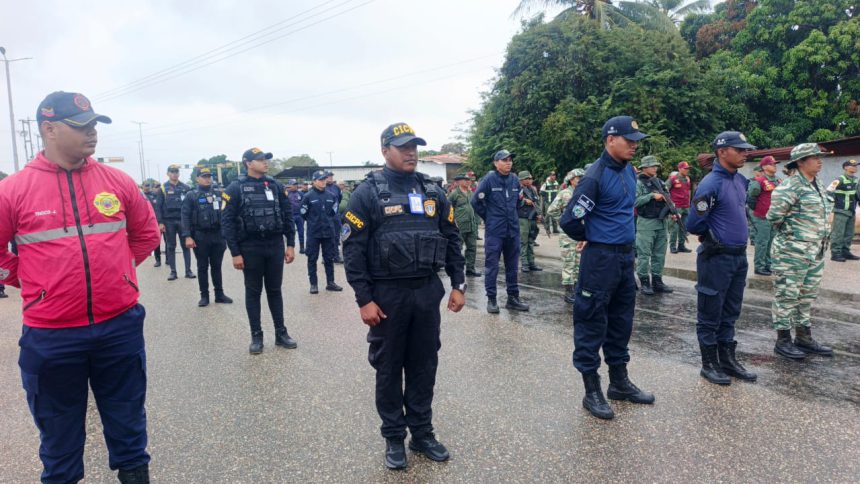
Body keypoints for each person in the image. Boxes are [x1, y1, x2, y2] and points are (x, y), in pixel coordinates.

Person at [0, 91, 160, 483]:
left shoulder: (116, 181)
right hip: (51, 335)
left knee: (129, 428)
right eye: (81, 127)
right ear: (49, 129)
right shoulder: (13, 190)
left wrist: (118, 273)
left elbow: (147, 234)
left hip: (118, 327)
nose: (92, 134)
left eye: (94, 126)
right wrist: (31, 282)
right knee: (59, 438)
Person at [342, 122, 465, 470]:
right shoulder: (367, 193)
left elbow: (452, 238)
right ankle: (394, 437)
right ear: (385, 151)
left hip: (426, 292)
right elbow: (353, 250)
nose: (411, 152)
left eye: (415, 146)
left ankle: (422, 434)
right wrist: (363, 299)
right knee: (389, 366)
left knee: (425, 364)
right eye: (403, 147)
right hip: (387, 296)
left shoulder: (432, 191)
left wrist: (458, 284)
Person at [559, 116, 655, 420]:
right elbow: (569, 220)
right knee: (590, 323)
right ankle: (592, 390)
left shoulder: (629, 171)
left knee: (621, 321)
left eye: (637, 140)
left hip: (625, 259)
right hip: (600, 261)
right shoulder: (594, 177)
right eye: (629, 140)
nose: (634, 145)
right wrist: (592, 238)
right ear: (610, 139)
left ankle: (619, 382)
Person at [686, 131, 758, 385]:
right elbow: (694, 222)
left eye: (745, 149)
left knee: (730, 311)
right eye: (739, 150)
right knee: (710, 312)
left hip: (738, 258)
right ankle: (709, 364)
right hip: (716, 258)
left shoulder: (740, 181)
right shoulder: (710, 184)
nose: (744, 153)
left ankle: (727, 359)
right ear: (722, 151)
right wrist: (712, 236)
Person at [221, 147, 298, 355]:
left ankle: (281, 333)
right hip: (250, 247)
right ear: (248, 163)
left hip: (274, 245)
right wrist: (235, 252)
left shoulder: (275, 185)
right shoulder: (235, 188)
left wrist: (290, 244)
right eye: (261, 160)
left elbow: (288, 214)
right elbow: (227, 222)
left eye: (266, 159)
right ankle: (256, 335)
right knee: (253, 292)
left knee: (275, 291)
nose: (265, 163)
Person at [768, 143, 834, 359]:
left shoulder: (818, 185)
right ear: (801, 162)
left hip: (815, 251)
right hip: (791, 253)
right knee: (787, 296)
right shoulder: (790, 187)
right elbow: (774, 218)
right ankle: (783, 340)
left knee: (806, 296)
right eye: (814, 157)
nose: (819, 160)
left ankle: (804, 338)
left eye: (819, 156)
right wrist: (795, 237)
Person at [471, 150, 529, 313]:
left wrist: (512, 216)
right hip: (495, 231)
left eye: (510, 160)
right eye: (504, 160)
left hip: (512, 230)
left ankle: (513, 298)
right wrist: (489, 217)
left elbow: (519, 202)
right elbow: (475, 201)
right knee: (492, 266)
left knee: (512, 266)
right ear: (496, 163)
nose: (508, 163)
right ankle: (492, 299)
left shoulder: (515, 180)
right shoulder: (489, 179)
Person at [181, 167, 232, 307]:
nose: (207, 178)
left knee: (217, 266)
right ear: (197, 178)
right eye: (204, 176)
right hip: (200, 236)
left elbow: (227, 213)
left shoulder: (218, 193)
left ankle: (219, 294)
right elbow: (185, 217)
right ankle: (204, 295)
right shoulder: (191, 195)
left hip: (217, 235)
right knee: (202, 267)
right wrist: (187, 236)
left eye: (209, 176)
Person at [634, 155, 676, 295]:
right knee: (644, 254)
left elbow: (667, 198)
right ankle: (644, 282)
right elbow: (634, 202)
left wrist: (673, 212)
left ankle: (657, 281)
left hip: (661, 222)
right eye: (652, 166)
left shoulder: (660, 182)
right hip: (646, 222)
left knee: (659, 254)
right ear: (644, 168)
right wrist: (651, 196)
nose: (655, 168)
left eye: (655, 165)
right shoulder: (638, 183)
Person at [302, 170, 343, 294]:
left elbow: (333, 212)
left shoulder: (331, 196)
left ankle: (330, 282)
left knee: (329, 258)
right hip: (314, 233)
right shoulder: (308, 196)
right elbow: (304, 214)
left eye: (324, 179)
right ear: (314, 181)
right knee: (312, 258)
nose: (323, 181)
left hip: (328, 232)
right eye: (320, 179)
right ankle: (313, 284)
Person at [547, 168, 584, 303]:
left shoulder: (583, 193)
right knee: (569, 261)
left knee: (579, 262)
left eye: (581, 178)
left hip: (580, 232)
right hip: (568, 233)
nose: (580, 180)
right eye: (577, 178)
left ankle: (577, 288)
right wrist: (563, 221)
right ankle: (568, 291)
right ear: (571, 180)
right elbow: (551, 210)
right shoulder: (565, 193)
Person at [747, 155, 781, 275]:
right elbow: (751, 198)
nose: (775, 166)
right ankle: (759, 266)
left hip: (774, 218)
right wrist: (759, 210)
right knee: (762, 242)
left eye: (775, 164)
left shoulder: (778, 181)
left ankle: (768, 264)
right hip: (762, 217)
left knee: (770, 242)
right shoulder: (759, 181)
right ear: (764, 167)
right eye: (772, 164)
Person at [161, 164, 195, 281]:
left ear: (179, 173)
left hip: (183, 220)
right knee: (171, 246)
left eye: (176, 171)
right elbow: (158, 207)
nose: (174, 173)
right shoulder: (162, 188)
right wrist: (160, 222)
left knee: (186, 245)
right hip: (169, 221)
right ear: (168, 173)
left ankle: (188, 271)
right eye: (172, 171)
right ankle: (173, 271)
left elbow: (191, 206)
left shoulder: (186, 187)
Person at [449, 173, 481, 277]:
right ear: (458, 182)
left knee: (472, 247)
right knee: (457, 248)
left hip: (472, 225)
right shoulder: (454, 194)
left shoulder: (471, 193)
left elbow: (476, 207)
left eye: (469, 180)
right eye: (465, 180)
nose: (468, 181)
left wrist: (477, 222)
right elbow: (449, 209)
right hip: (460, 225)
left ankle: (470, 269)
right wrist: (453, 223)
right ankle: (456, 270)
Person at [827, 159, 858, 262]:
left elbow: (858, 195)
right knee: (838, 233)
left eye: (855, 166)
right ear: (845, 167)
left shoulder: (856, 180)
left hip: (851, 211)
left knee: (849, 233)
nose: (855, 167)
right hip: (841, 211)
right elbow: (828, 191)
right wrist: (834, 203)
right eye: (852, 165)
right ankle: (835, 253)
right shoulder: (839, 179)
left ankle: (845, 252)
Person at [518, 171, 543, 273]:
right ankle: (524, 264)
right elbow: (514, 201)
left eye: (530, 178)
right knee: (523, 242)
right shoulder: (518, 189)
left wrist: (539, 214)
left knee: (531, 241)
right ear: (521, 180)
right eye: (527, 179)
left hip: (532, 218)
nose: (529, 180)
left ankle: (531, 263)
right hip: (522, 218)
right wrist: (524, 201)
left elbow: (536, 202)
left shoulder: (532, 189)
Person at [667, 161, 692, 253]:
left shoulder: (688, 179)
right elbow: (665, 191)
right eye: (685, 168)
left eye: (688, 168)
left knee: (684, 227)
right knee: (675, 228)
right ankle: (673, 247)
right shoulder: (673, 179)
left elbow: (688, 192)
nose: (687, 170)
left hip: (686, 206)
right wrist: (670, 205)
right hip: (676, 207)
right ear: (680, 169)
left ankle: (681, 246)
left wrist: (689, 203)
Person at [143, 180, 164, 266]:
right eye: (146, 185)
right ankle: (157, 260)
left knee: (167, 240)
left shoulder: (155, 195)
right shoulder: (140, 196)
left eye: (149, 185)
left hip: (159, 220)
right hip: (148, 221)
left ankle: (168, 259)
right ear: (143, 186)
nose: (148, 187)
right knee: (156, 241)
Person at [325, 172, 344, 264]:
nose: (331, 178)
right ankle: (326, 257)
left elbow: (339, 199)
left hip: (335, 216)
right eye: (329, 176)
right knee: (325, 236)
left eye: (332, 176)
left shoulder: (336, 187)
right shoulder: (322, 187)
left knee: (336, 236)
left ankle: (336, 256)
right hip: (325, 216)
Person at [286, 179, 306, 254]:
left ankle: (302, 248)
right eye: (293, 184)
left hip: (299, 216)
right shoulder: (286, 194)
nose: (295, 186)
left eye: (296, 184)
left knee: (301, 231)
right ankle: (291, 247)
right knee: (291, 232)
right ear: (290, 185)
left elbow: (304, 204)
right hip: (290, 216)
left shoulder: (300, 194)